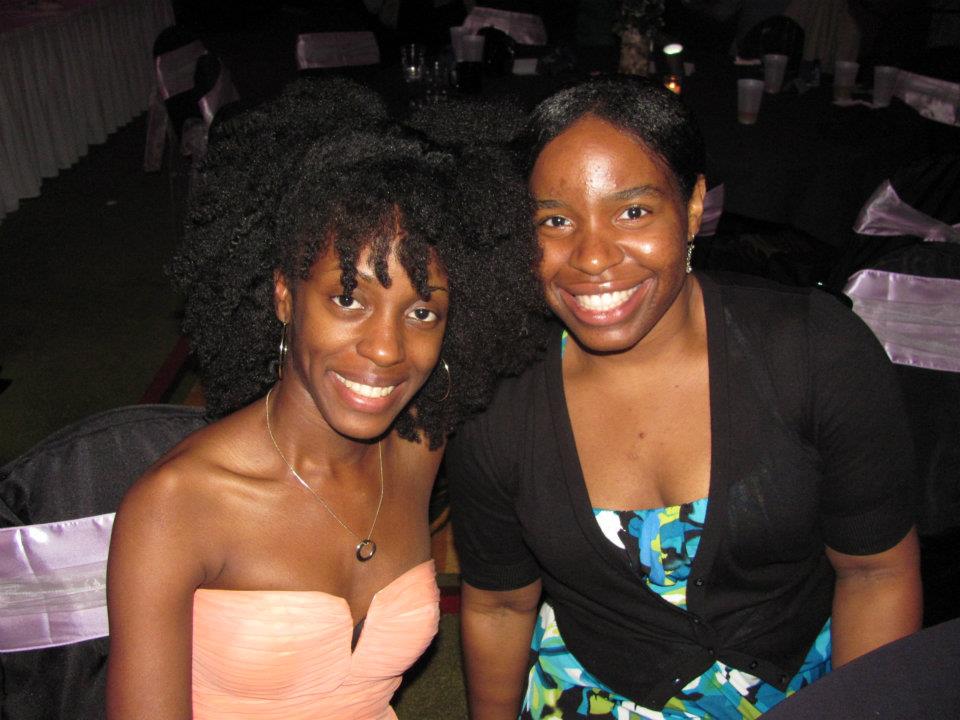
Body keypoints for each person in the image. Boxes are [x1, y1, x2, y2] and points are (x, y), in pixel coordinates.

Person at [447, 76, 923, 720]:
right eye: (555, 220)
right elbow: (500, 605)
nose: (592, 257)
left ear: (694, 206)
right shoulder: (499, 400)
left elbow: (875, 572)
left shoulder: (815, 350)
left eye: (633, 212)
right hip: (588, 693)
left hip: (803, 693)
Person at [105, 80, 544, 719]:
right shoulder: (176, 508)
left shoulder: (420, 446)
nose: (387, 349)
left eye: (422, 311)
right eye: (348, 299)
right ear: (284, 296)